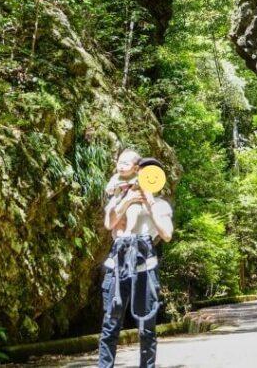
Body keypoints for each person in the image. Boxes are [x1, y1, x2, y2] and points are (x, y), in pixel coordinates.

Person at [98, 149, 174, 368]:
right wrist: (128, 199)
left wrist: (149, 202)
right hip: (117, 264)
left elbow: (166, 235)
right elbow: (109, 224)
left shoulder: (160, 205)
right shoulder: (118, 198)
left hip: (145, 268)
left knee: (147, 328)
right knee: (111, 324)